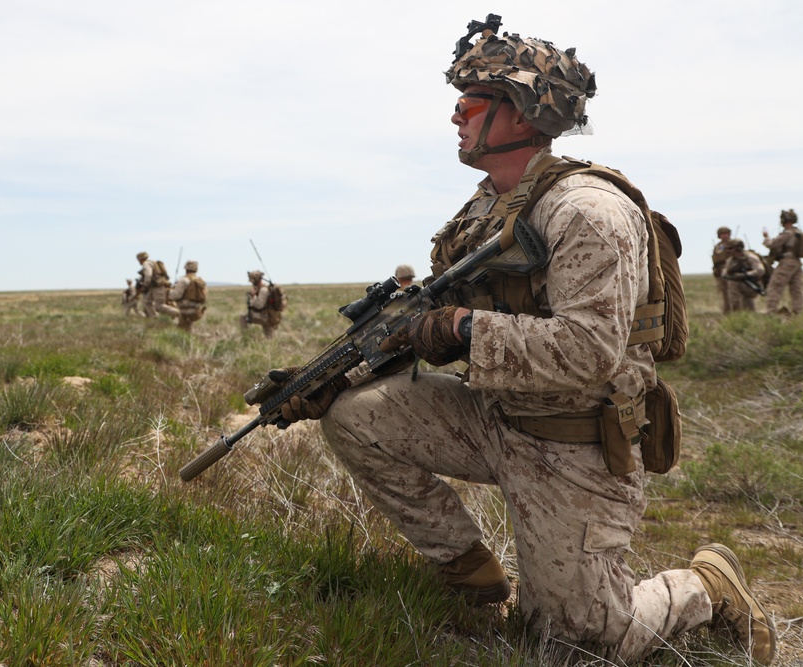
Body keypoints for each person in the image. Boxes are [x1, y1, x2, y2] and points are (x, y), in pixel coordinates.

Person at [252, 17, 776, 664]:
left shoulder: (587, 211)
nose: (455, 116)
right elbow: (442, 317)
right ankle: (473, 579)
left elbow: (589, 350)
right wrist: (341, 373)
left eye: (471, 103)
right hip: (499, 415)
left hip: (576, 440)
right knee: (355, 415)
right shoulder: (487, 209)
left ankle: (704, 586)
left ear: (524, 115)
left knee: (581, 644)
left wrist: (458, 329)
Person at [762, 209, 803, 315]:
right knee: (796, 288)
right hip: (796, 262)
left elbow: (773, 244)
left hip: (786, 262)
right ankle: (798, 310)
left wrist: (766, 239)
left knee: (775, 286)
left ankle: (771, 310)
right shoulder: (798, 233)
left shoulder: (787, 233)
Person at [721, 240, 767, 312]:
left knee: (747, 302)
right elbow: (724, 273)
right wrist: (733, 275)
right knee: (734, 288)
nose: (727, 251)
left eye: (730, 249)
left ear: (738, 249)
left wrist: (745, 275)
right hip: (738, 283)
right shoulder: (731, 260)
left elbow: (760, 270)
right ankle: (738, 315)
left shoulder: (751, 258)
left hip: (752, 284)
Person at [167, 260, 207, 332]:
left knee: (182, 329)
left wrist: (169, 292)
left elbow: (175, 296)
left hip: (185, 308)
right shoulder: (199, 280)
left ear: (186, 268)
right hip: (197, 308)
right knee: (188, 326)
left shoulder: (183, 280)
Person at [240, 270, 280, 338]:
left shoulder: (263, 290)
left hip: (265, 316)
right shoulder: (263, 289)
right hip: (269, 315)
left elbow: (259, 305)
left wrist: (253, 296)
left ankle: (246, 337)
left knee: (243, 318)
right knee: (269, 336)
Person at [135, 251, 173, 319]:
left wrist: (145, 285)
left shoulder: (146, 264)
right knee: (146, 302)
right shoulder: (153, 262)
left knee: (160, 306)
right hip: (155, 286)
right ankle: (154, 317)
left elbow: (148, 275)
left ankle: (178, 314)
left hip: (157, 286)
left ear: (140, 259)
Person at [711, 226, 734, 314]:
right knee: (724, 292)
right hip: (721, 271)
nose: (724, 236)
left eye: (726, 234)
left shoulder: (734, 244)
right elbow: (717, 257)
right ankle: (727, 311)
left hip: (732, 270)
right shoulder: (719, 246)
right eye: (722, 234)